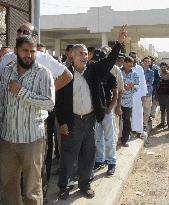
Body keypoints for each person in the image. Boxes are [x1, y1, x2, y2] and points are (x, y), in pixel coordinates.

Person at [55, 25, 127, 200]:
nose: (85, 56)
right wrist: (62, 122)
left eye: (86, 53)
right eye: (81, 53)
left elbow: (109, 61)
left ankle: (85, 184)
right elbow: (59, 100)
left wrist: (119, 43)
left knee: (89, 153)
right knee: (68, 155)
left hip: (89, 121)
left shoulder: (94, 70)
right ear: (71, 55)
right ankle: (64, 186)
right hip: (71, 121)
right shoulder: (65, 73)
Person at [0, 35, 55, 205]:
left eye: (32, 51)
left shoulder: (43, 73)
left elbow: (49, 103)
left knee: (32, 189)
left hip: (32, 139)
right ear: (16, 51)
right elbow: (2, 102)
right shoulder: (6, 72)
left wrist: (22, 92)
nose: (28, 55)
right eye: (25, 50)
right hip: (7, 139)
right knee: (8, 186)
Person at [0, 22, 73, 90]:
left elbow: (67, 75)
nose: (21, 34)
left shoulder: (44, 58)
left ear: (34, 37)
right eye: (19, 31)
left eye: (25, 32)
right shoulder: (7, 57)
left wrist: (48, 93)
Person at [121, 56, 139, 146]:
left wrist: (133, 86)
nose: (129, 68)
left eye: (131, 66)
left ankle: (124, 140)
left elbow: (137, 86)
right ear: (124, 63)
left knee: (127, 120)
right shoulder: (118, 71)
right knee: (116, 121)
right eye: (128, 65)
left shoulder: (135, 74)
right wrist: (122, 87)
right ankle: (116, 139)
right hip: (116, 101)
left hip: (128, 102)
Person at [129, 52, 147, 137]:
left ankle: (138, 130)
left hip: (138, 95)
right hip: (127, 95)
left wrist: (143, 95)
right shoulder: (125, 67)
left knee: (138, 112)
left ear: (136, 58)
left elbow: (143, 82)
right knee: (128, 113)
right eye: (131, 57)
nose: (133, 58)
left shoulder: (139, 68)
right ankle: (130, 130)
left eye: (134, 57)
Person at [142, 57, 154, 131]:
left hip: (147, 93)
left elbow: (150, 82)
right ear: (143, 62)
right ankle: (138, 124)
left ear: (150, 63)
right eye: (145, 61)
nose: (146, 63)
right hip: (139, 94)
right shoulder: (139, 70)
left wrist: (141, 83)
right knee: (139, 110)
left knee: (147, 110)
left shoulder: (151, 72)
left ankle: (145, 124)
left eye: (148, 61)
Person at [156, 62, 169, 129]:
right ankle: (162, 123)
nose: (163, 68)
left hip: (167, 96)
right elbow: (157, 87)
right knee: (162, 110)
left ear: (166, 67)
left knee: (168, 110)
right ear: (160, 67)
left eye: (164, 67)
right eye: (162, 67)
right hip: (161, 96)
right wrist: (157, 96)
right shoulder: (159, 75)